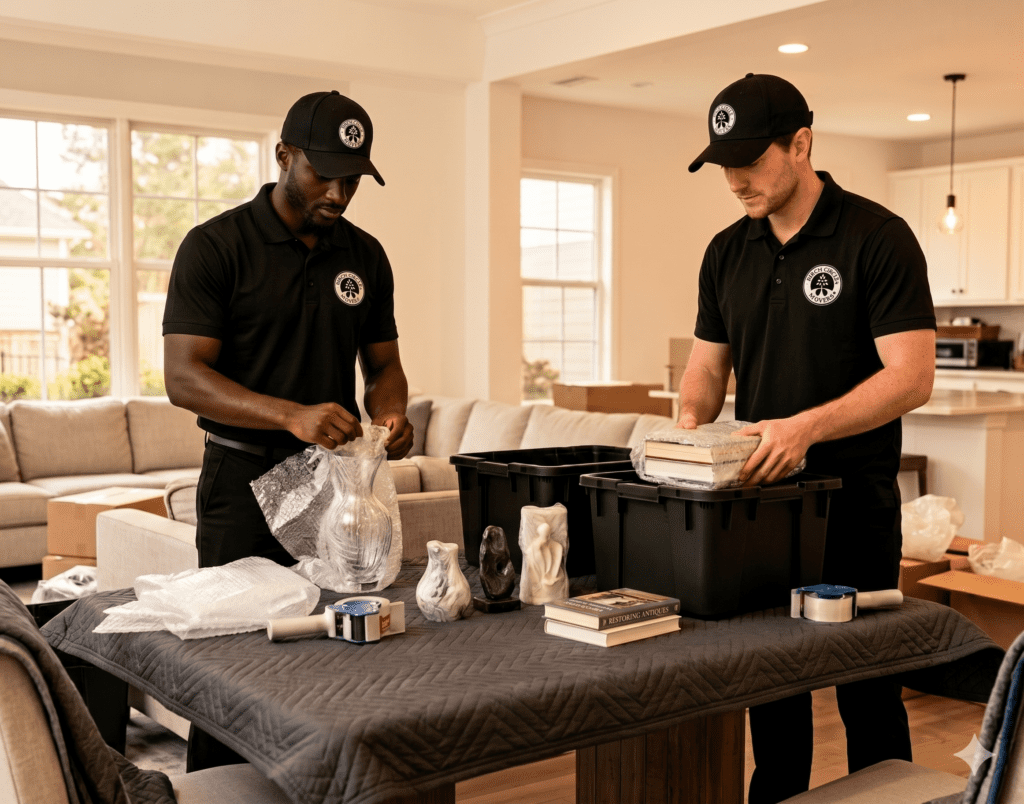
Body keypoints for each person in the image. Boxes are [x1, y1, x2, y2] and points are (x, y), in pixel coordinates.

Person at [682, 73, 936, 804]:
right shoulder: (726, 252)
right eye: (723, 165)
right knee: (774, 696)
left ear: (801, 144)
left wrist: (808, 427)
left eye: (749, 161)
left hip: (854, 507)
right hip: (762, 511)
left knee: (869, 694)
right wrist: (689, 425)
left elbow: (912, 377)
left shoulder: (877, 238)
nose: (735, 181)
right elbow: (706, 367)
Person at [162, 90, 413, 770]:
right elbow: (183, 377)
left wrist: (391, 412)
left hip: (335, 490)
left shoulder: (365, 255)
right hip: (241, 483)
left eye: (352, 179)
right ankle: (216, 787)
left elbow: (383, 366)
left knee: (339, 646)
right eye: (323, 174)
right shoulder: (216, 247)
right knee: (232, 661)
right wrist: (289, 415)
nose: (338, 193)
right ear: (283, 155)